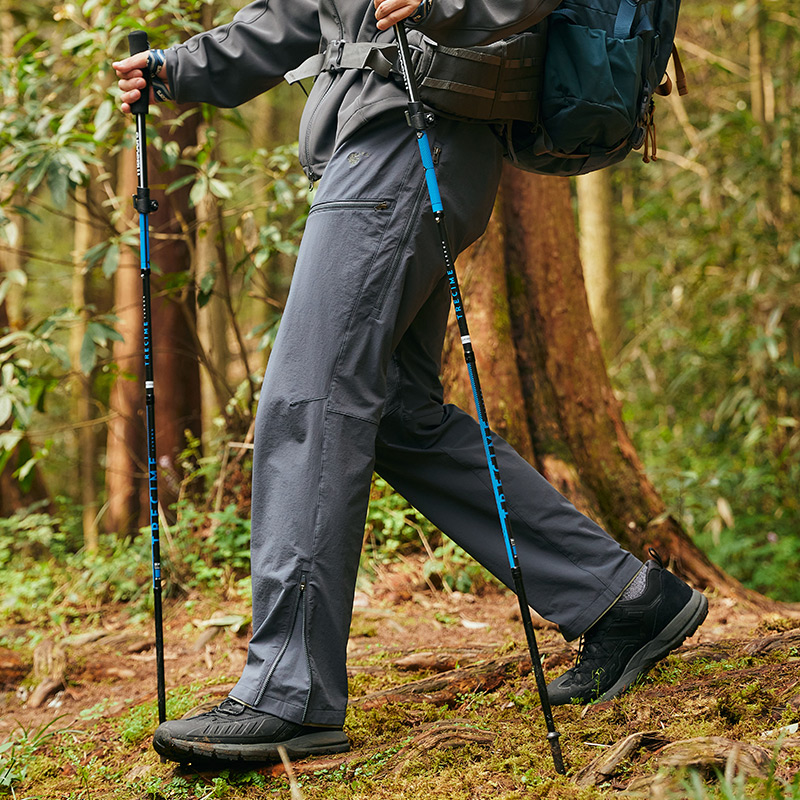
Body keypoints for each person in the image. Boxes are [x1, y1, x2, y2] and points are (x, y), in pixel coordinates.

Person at [114, 0, 708, 766]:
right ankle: (624, 600)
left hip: (410, 142)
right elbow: (305, 12)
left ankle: (288, 695)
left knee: (311, 399)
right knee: (398, 414)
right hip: (386, 146)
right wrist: (177, 67)